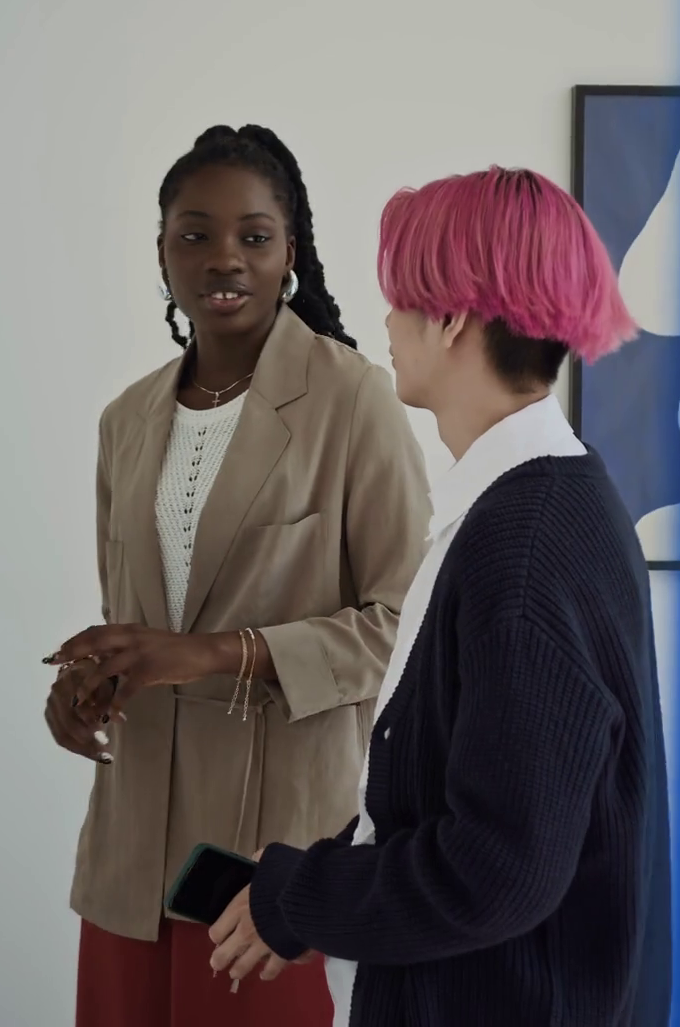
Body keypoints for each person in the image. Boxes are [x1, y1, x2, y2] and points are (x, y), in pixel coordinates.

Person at [209, 166, 674, 1026]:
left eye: (402, 299)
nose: (388, 322)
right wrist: (307, 891)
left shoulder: (523, 544)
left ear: (454, 318)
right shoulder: (537, 506)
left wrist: (301, 896)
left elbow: (497, 868)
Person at [44, 125, 431, 1027]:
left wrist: (220, 653)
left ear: (289, 252)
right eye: (196, 234)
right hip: (130, 853)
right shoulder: (126, 420)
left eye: (254, 236)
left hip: (272, 855)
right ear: (162, 252)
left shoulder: (354, 399)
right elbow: (134, 620)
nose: (225, 258)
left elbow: (405, 630)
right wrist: (87, 687)